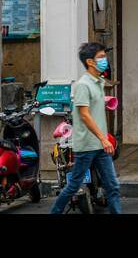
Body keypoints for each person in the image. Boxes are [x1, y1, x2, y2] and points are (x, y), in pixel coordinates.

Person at [49, 42, 122, 215]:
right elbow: (85, 115)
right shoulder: (83, 85)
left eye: (105, 56)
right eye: (101, 57)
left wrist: (103, 139)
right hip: (88, 146)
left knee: (112, 187)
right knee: (73, 186)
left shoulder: (98, 82)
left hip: (100, 146)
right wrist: (103, 138)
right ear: (90, 62)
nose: (105, 60)